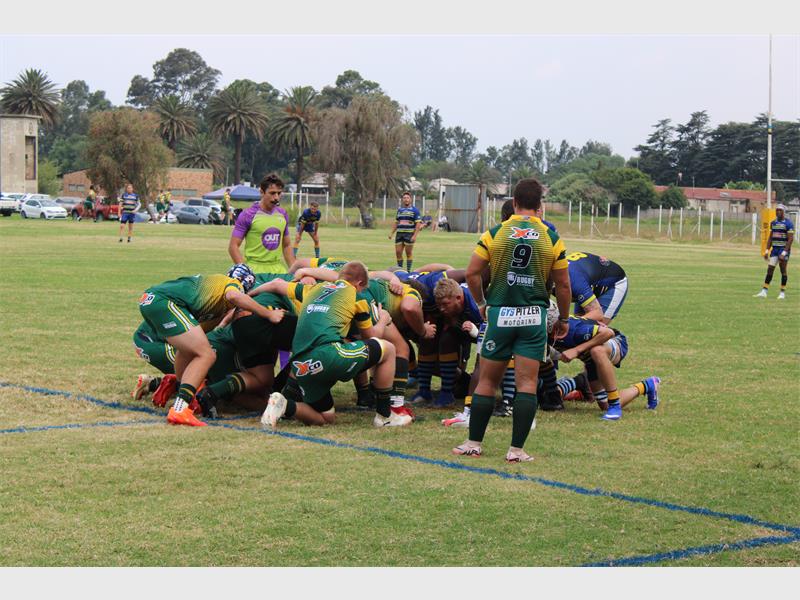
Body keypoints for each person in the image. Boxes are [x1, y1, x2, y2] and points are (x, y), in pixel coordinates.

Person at [458, 177, 571, 463]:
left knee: (486, 381)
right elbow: (564, 285)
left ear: (515, 202)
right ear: (540, 204)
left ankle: (473, 443)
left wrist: (482, 304)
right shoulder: (551, 237)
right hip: (534, 318)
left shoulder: (495, 233)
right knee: (527, 383)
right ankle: (516, 450)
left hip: (500, 315)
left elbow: (471, 273)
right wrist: (565, 319)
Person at [259, 261, 412, 429]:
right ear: (359, 283)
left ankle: (284, 405)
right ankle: (385, 416)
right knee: (389, 349)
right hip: (326, 355)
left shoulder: (314, 289)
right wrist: (383, 319)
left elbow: (276, 285)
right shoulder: (357, 296)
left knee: (325, 417)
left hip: (299, 365)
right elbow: (371, 337)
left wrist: (249, 294)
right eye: (363, 287)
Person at [138, 263, 285, 426]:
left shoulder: (215, 297)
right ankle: (180, 408)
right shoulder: (231, 285)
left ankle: (183, 397)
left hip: (152, 300)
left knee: (188, 351)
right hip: (162, 301)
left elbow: (205, 331)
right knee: (207, 355)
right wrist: (268, 314)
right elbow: (234, 297)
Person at [229, 174, 294, 274]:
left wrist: (294, 270)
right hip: (255, 271)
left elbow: (287, 245)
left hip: (278, 271)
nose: (276, 197)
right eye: (272, 193)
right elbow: (233, 247)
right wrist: (245, 273)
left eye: (279, 193)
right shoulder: (247, 215)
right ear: (262, 192)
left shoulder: (282, 214)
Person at [567, 251, 628, 324]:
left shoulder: (575, 281)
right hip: (588, 279)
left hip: (613, 281)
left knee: (597, 327)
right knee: (579, 326)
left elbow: (597, 314)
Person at [755, 204, 794, 299]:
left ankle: (782, 293)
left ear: (784, 212)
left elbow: (790, 239)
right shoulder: (774, 223)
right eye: (777, 210)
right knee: (770, 270)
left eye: (780, 210)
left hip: (783, 250)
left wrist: (784, 252)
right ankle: (764, 291)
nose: (778, 212)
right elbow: (770, 238)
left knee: (783, 270)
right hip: (775, 250)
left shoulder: (788, 223)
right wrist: (767, 250)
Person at [388, 192, 422, 271]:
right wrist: (391, 233)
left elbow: (418, 224)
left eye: (407, 198)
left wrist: (414, 235)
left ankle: (408, 271)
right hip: (399, 234)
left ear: (411, 199)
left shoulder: (415, 210)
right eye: (404, 198)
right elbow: (396, 222)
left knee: (408, 253)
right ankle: (399, 270)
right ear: (402, 200)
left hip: (409, 234)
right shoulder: (400, 210)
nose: (406, 199)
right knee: (398, 252)